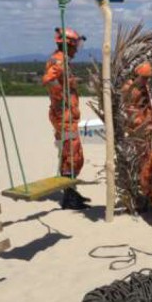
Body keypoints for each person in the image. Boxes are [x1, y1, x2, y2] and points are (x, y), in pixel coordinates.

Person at [43, 26, 89, 210]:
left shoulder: (63, 61)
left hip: (66, 116)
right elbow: (49, 80)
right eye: (75, 45)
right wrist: (61, 98)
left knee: (68, 155)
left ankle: (70, 191)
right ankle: (69, 197)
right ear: (68, 45)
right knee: (74, 156)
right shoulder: (59, 62)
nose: (77, 49)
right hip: (64, 117)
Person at [121, 61, 152, 158]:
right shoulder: (128, 88)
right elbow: (125, 108)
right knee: (139, 155)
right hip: (137, 127)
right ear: (137, 75)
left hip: (147, 125)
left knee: (147, 153)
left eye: (147, 78)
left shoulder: (144, 87)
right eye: (144, 78)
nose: (146, 81)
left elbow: (148, 103)